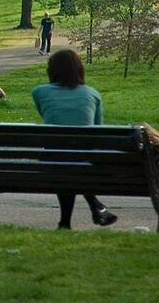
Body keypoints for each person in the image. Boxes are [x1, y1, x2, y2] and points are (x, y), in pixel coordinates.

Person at [31, 49, 118, 229]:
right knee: (75, 161)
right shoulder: (92, 94)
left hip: (53, 163)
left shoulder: (39, 92)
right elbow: (97, 131)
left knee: (64, 161)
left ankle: (68, 221)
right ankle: (96, 206)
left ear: (51, 71)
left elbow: (47, 115)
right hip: (85, 163)